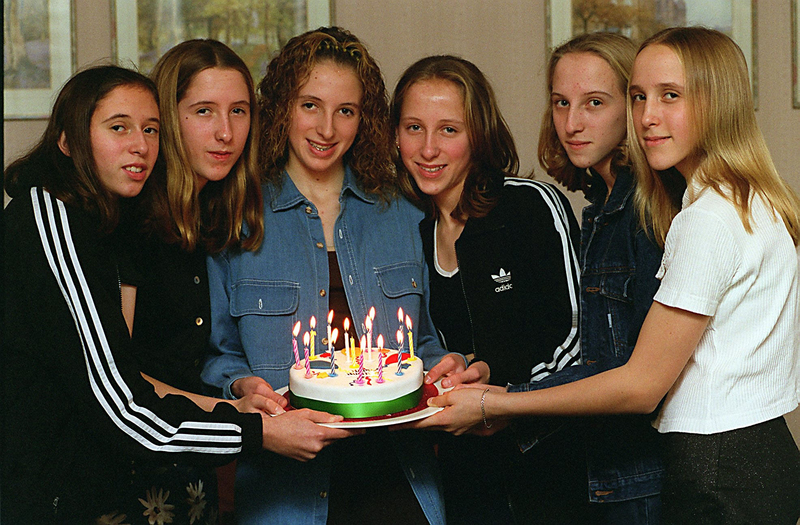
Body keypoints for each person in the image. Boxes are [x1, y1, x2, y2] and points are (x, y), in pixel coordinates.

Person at [422, 27, 800, 524]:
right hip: (740, 458)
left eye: (668, 96)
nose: (648, 116)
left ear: (716, 103)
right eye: (641, 97)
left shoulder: (691, 215)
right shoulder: (722, 198)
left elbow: (639, 381)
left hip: (709, 465)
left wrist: (500, 403)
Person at [1, 65, 305, 523]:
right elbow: (122, 406)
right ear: (66, 140)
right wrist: (257, 431)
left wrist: (236, 407)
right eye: (118, 127)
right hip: (51, 498)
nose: (140, 146)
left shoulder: (100, 218)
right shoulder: (51, 217)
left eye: (150, 130)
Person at [201, 27, 466, 525]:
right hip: (285, 491)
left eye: (345, 110)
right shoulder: (235, 215)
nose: (327, 128)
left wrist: (442, 366)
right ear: (282, 107)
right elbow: (218, 354)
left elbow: (424, 337)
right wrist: (240, 387)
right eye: (310, 106)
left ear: (363, 119)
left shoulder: (401, 212)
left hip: (396, 479)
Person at [119, 39, 329, 521]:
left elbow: (198, 359)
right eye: (203, 112)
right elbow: (120, 377)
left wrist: (236, 391)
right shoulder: (132, 221)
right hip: (129, 466)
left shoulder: (216, 217)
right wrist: (240, 419)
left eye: (238, 111)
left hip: (195, 462)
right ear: (169, 119)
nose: (225, 132)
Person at [391, 55, 581, 523]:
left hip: (552, 469)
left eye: (449, 130)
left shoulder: (530, 207)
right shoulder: (404, 231)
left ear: (479, 135)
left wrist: (501, 396)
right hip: (459, 474)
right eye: (414, 128)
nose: (429, 149)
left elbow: (580, 338)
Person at [502, 32, 665, 524]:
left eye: (594, 103)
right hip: (603, 471)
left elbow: (631, 376)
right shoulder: (599, 211)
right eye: (561, 103)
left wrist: (500, 404)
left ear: (633, 107)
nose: (572, 123)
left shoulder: (649, 211)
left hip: (644, 478)